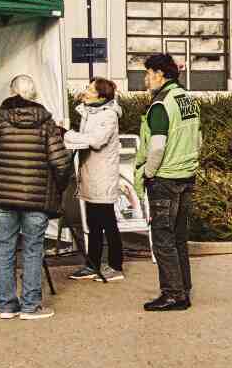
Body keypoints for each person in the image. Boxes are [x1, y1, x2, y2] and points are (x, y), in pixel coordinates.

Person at [0, 74, 73, 320]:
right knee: (32, 250)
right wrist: (56, 189)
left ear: (11, 91)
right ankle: (30, 306)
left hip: (2, 198)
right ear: (34, 94)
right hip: (38, 198)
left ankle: (6, 306)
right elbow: (61, 164)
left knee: (4, 248)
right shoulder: (47, 123)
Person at [136, 53, 201, 312]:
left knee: (162, 238)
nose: (145, 79)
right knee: (178, 238)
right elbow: (198, 139)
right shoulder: (188, 99)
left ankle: (173, 295)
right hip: (186, 175)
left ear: (159, 74)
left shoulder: (161, 104)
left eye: (148, 74)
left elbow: (157, 147)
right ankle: (183, 289)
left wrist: (149, 173)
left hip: (166, 178)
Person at [63, 77, 126, 282]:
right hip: (91, 175)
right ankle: (93, 264)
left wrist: (67, 135)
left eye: (90, 89)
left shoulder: (108, 116)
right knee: (93, 222)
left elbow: (96, 141)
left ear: (101, 95)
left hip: (102, 176)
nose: (85, 91)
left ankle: (116, 266)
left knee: (107, 221)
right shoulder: (89, 112)